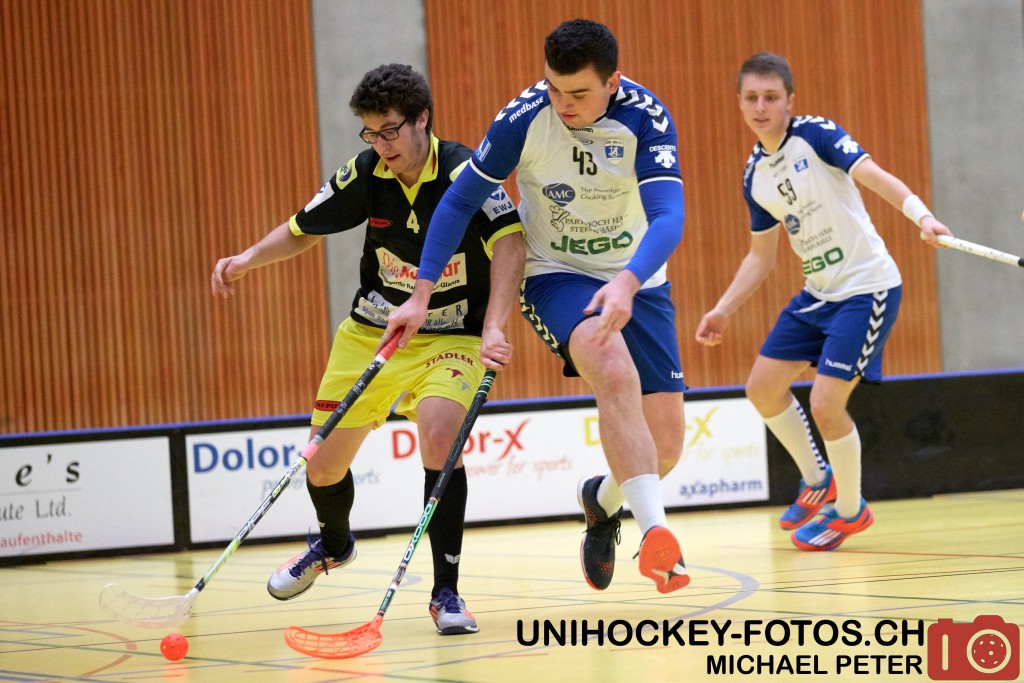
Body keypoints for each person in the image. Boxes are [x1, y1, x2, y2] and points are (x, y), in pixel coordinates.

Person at [210, 63, 525, 634]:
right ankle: (333, 545)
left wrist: (496, 326)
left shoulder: (465, 171)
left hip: (453, 334)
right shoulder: (366, 172)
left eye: (390, 131)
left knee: (440, 436)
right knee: (323, 465)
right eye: (370, 134)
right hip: (373, 331)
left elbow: (510, 243)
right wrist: (248, 259)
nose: (381, 145)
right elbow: (302, 226)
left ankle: (446, 593)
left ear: (422, 119)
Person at [386, 19, 690, 594]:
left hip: (638, 276)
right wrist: (420, 292)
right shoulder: (523, 118)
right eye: (554, 87)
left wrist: (627, 282)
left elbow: (669, 216)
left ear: (613, 82)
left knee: (665, 448)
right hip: (556, 272)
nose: (563, 103)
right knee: (609, 361)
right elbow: (457, 203)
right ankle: (658, 537)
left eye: (579, 92)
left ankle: (601, 501)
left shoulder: (645, 119)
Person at [695, 52, 953, 550]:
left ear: (789, 101)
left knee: (825, 404)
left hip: (866, 289)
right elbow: (761, 257)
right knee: (762, 389)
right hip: (819, 294)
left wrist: (922, 216)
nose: (761, 107)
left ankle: (851, 512)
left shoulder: (817, 135)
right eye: (752, 98)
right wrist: (723, 309)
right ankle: (819, 481)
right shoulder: (755, 176)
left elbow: (873, 175)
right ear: (740, 103)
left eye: (771, 97)